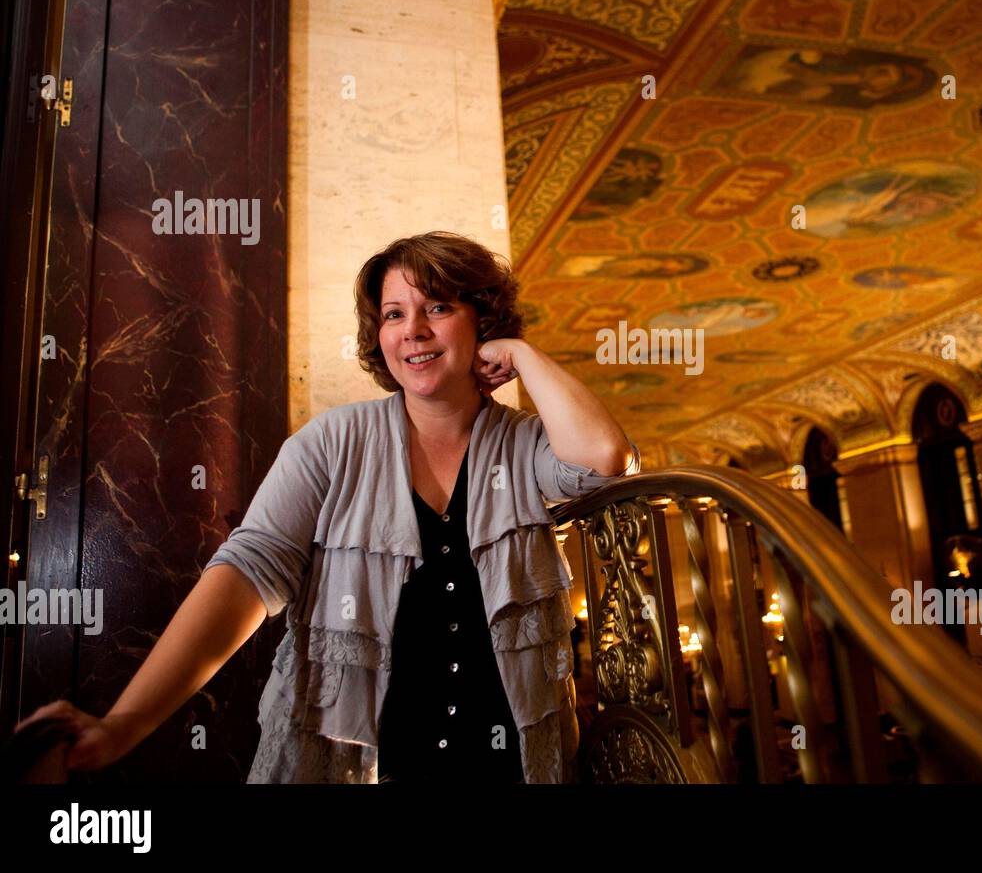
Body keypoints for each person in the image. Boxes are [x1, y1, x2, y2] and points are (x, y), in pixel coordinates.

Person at [14, 231, 640, 783]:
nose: (412, 330)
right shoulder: (333, 442)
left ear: (485, 322)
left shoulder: (525, 444)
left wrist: (525, 355)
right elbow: (246, 576)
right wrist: (125, 724)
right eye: (393, 314)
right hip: (360, 768)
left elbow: (605, 460)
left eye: (438, 307)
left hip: (508, 767)